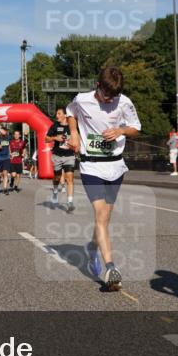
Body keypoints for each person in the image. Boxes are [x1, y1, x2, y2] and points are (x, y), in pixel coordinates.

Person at [66, 68, 140, 291]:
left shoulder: (124, 102)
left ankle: (92, 248)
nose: (109, 99)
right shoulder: (82, 99)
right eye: (106, 94)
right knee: (100, 214)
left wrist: (120, 131)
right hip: (91, 166)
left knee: (105, 218)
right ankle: (110, 268)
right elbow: (71, 112)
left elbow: (136, 128)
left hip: (116, 166)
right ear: (97, 84)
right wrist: (75, 134)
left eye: (112, 95)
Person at [46, 107, 75, 212]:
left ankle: (70, 202)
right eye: (56, 114)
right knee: (57, 178)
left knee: (70, 178)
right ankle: (55, 192)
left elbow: (77, 138)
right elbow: (46, 138)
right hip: (57, 155)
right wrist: (55, 138)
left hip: (69, 155)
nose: (56, 115)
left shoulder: (72, 126)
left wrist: (74, 144)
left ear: (65, 115)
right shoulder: (55, 126)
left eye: (59, 113)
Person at [0, 126, 11, 192]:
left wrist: (11, 153)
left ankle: (5, 188)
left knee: (5, 173)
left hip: (6, 157)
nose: (4, 132)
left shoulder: (8, 137)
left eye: (5, 130)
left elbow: (11, 144)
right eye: (3, 130)